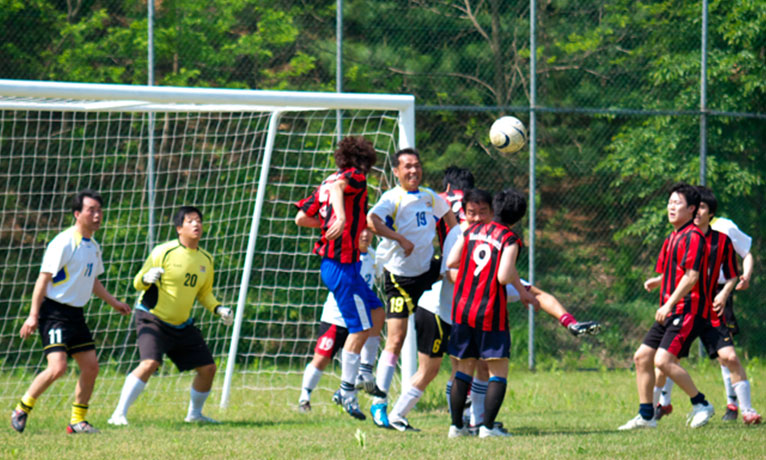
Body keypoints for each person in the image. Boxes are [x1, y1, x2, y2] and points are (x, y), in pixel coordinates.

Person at [11, 189, 131, 434]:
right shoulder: (64, 242)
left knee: (91, 367)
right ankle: (22, 408)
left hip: (76, 315)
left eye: (99, 210)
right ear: (77, 214)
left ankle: (77, 421)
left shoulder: (93, 246)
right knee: (57, 367)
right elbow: (42, 280)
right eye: (91, 210)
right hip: (54, 313)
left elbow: (93, 281)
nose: (97, 215)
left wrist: (114, 302)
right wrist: (33, 315)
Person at [108, 206, 232, 426]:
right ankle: (118, 415)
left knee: (208, 369)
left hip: (182, 324)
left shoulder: (206, 259)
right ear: (178, 228)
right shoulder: (163, 251)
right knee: (150, 363)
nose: (196, 224)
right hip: (152, 317)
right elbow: (138, 282)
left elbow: (205, 294)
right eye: (190, 221)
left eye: (199, 221)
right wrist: (147, 277)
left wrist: (219, 309)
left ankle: (195, 415)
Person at [653, 186, 761, 425]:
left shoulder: (722, 239)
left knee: (729, 357)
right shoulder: (681, 237)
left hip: (713, 306)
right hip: (687, 306)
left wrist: (723, 294)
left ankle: (746, 410)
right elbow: (679, 272)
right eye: (695, 207)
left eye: (702, 207)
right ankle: (657, 406)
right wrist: (658, 282)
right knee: (666, 360)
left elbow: (732, 273)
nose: (697, 212)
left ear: (711, 212)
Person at [366, 148, 456, 428]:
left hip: (428, 271)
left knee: (452, 324)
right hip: (400, 278)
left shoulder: (430, 196)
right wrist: (399, 238)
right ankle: (378, 403)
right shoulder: (392, 197)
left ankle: (462, 402)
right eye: (407, 167)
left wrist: (452, 250)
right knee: (396, 338)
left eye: (417, 165)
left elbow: (451, 219)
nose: (413, 171)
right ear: (396, 171)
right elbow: (372, 220)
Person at [294, 136, 382, 421]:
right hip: (341, 266)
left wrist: (333, 219)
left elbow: (301, 218)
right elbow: (338, 187)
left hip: (345, 266)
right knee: (357, 330)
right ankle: (346, 390)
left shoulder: (326, 180)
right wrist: (341, 219)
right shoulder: (352, 176)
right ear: (363, 161)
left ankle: (365, 371)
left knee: (378, 311)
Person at [619, 183, 714, 430]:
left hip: (687, 309)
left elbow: (692, 276)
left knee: (662, 361)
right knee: (642, 358)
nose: (671, 207)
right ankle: (646, 416)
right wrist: (659, 281)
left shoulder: (694, 236)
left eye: (677, 203)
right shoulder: (672, 237)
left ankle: (701, 404)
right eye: (669, 202)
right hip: (671, 309)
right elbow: (677, 271)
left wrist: (669, 302)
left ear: (692, 209)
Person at [446, 188, 534, 438]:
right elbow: (503, 275)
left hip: (462, 309)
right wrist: (519, 288)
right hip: (489, 311)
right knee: (498, 370)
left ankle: (456, 426)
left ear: (494, 209)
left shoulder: (471, 231)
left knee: (464, 368)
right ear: (518, 217)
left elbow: (452, 261)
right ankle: (486, 428)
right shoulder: (510, 239)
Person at [297, 228, 385, 412]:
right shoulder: (345, 256)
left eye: (369, 230)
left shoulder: (374, 257)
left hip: (360, 319)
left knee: (356, 358)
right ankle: (304, 398)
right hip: (335, 316)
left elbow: (379, 279)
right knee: (322, 358)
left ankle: (347, 390)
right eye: (361, 229)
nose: (365, 234)